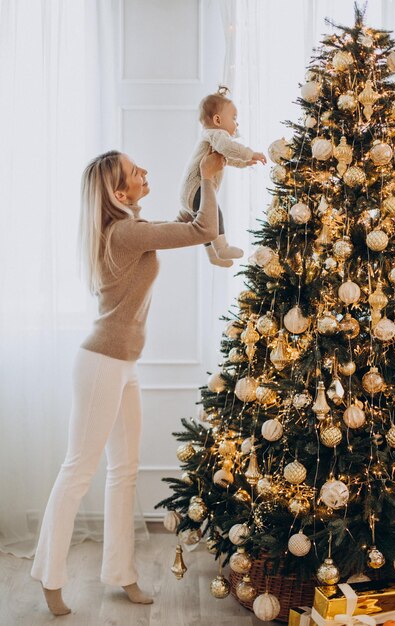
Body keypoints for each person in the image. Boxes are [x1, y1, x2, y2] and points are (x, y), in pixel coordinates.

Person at [30, 149, 223, 616]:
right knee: (78, 471)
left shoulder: (128, 229)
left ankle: (122, 574)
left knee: (124, 471)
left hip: (122, 364)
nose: (144, 173)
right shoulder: (125, 233)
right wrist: (211, 182)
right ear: (119, 193)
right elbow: (203, 230)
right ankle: (49, 578)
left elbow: (181, 223)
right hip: (101, 364)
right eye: (137, 172)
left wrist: (200, 174)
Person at [178, 86, 266, 268]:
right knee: (213, 217)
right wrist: (250, 154)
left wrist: (243, 163)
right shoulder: (217, 134)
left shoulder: (212, 138)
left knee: (205, 224)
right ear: (218, 120)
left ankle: (213, 255)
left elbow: (225, 159)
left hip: (190, 192)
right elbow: (228, 149)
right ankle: (222, 247)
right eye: (234, 118)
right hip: (197, 189)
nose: (237, 124)